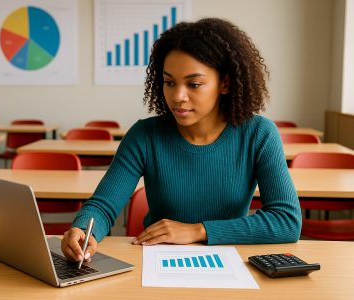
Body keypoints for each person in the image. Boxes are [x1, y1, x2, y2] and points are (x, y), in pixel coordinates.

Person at [61, 18, 302, 263]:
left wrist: (198, 230)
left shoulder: (259, 134)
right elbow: (103, 205)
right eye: (169, 82)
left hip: (229, 263)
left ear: (225, 84)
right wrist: (82, 230)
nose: (178, 96)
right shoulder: (145, 135)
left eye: (194, 84)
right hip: (158, 262)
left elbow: (286, 221)